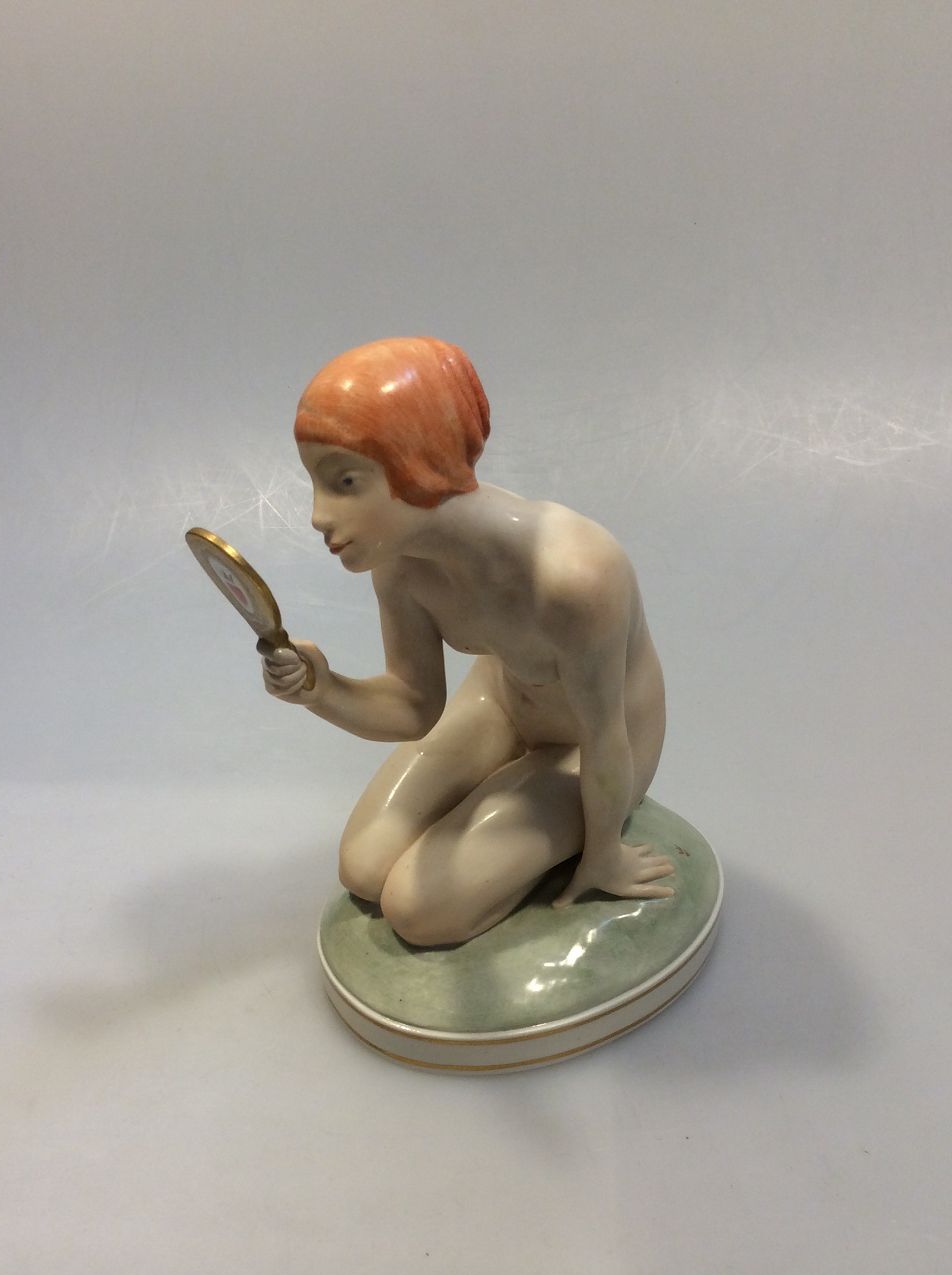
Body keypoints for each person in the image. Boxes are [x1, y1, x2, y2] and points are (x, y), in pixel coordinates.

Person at [263, 337, 673, 946]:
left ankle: (524, 833)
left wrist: (604, 854)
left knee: (418, 912)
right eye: (318, 484)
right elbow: (412, 706)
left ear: (419, 466)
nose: (319, 516)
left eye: (345, 481)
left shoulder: (573, 577)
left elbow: (606, 735)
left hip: (600, 743)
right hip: (503, 703)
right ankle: (505, 816)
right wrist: (324, 691)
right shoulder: (400, 562)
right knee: (363, 869)